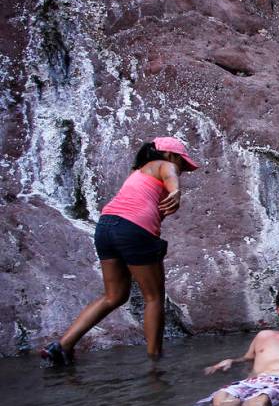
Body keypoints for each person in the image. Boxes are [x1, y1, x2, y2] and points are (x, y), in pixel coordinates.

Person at [40, 137, 199, 364]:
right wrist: (175, 191)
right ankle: (156, 361)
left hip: (106, 227)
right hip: (133, 229)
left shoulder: (138, 173)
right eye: (183, 163)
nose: (182, 169)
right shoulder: (165, 164)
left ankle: (61, 346)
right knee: (153, 297)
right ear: (170, 155)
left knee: (114, 296)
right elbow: (171, 175)